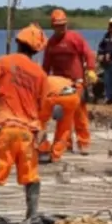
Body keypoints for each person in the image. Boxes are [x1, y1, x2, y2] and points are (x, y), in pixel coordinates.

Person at [0, 23, 48, 224]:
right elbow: (43, 106)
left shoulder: (5, 62)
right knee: (31, 176)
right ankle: (31, 218)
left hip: (3, 130)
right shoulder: (40, 74)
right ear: (36, 49)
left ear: (19, 43)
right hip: (27, 134)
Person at [42, 9, 97, 155]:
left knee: (80, 116)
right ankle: (65, 144)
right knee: (63, 116)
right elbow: (46, 65)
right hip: (60, 86)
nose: (61, 28)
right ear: (53, 26)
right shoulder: (51, 43)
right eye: (58, 25)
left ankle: (83, 143)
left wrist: (90, 69)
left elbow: (88, 54)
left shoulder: (75, 38)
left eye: (63, 25)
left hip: (76, 83)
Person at [36, 73, 81, 164]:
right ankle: (56, 155)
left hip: (53, 97)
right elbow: (78, 86)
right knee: (64, 128)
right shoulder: (64, 80)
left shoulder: (40, 81)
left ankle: (42, 150)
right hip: (72, 98)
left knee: (40, 122)